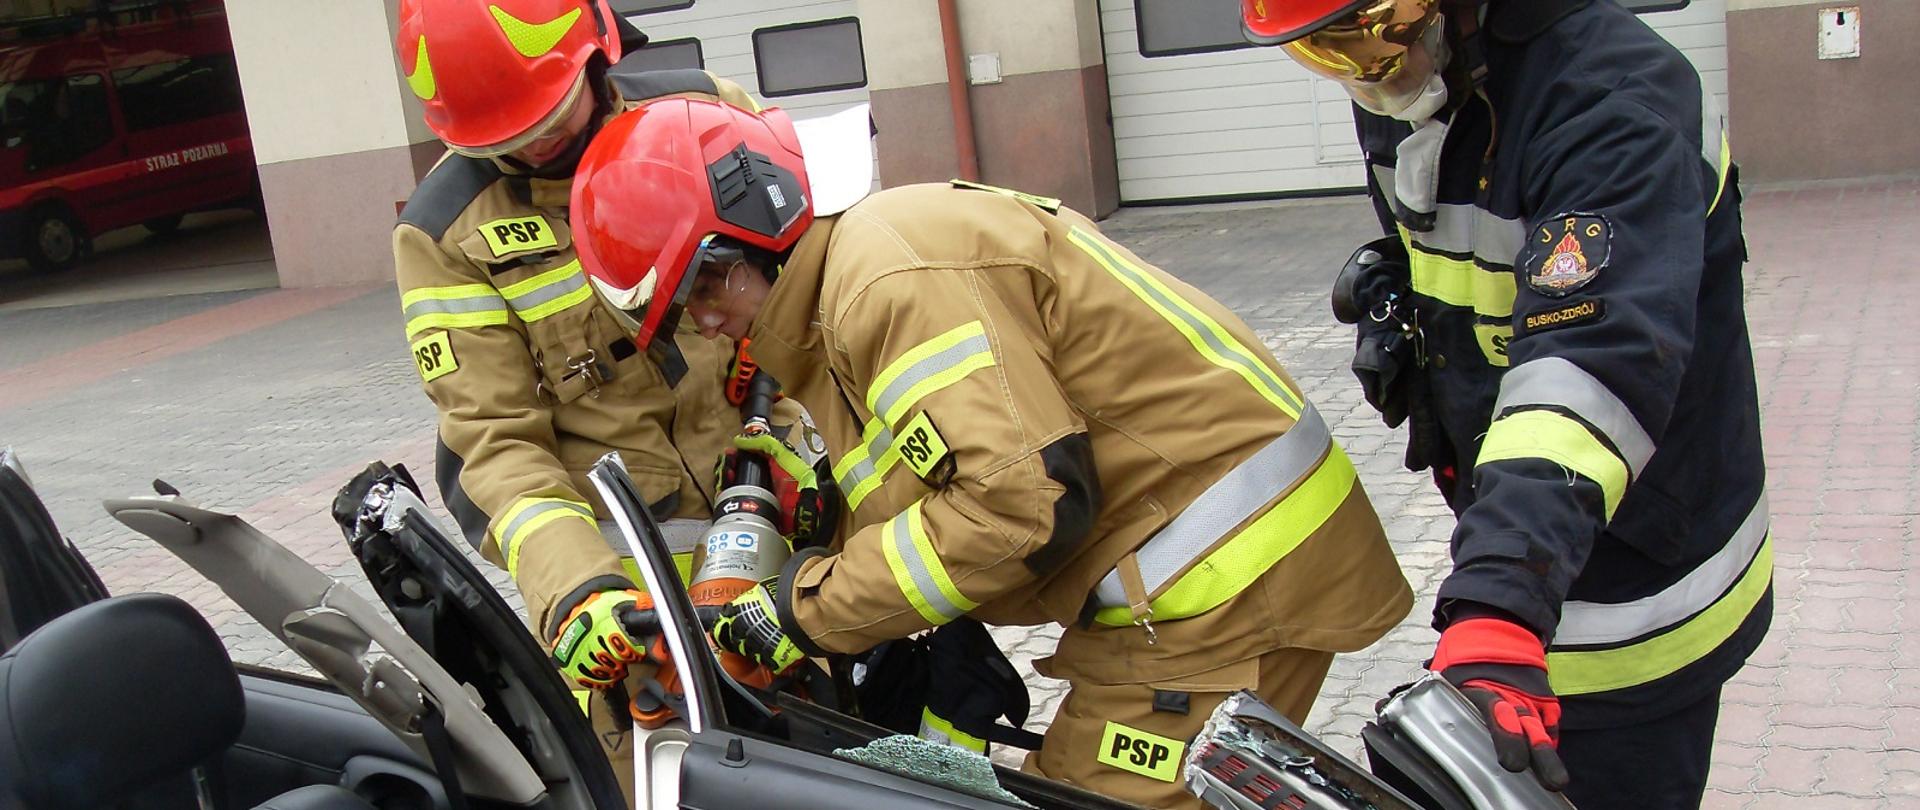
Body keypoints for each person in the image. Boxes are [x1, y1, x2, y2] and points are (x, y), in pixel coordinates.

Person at [565, 97, 1414, 809]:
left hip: (1220, 590)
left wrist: (799, 610)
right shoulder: (847, 294)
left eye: (705, 286)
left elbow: (1024, 506)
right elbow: (947, 479)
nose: (705, 322)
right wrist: (819, 528)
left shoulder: (882, 284)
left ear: (756, 225)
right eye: (680, 314)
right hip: (1193, 576)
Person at [1239, 1, 1771, 807]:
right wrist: (1410, 299)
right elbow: (1462, 232)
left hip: (1642, 592)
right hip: (1521, 555)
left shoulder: (1612, 98)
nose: (1365, 73)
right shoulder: (1420, 86)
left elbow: (1590, 363)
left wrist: (1495, 612)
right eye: (1324, 52)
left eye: (1375, 38)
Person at [389, 0, 802, 794]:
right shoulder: (444, 233)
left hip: (781, 509)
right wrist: (578, 592)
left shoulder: (705, 115)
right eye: (502, 138)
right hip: (632, 591)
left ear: (596, 54)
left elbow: (808, 292)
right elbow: (498, 444)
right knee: (668, 783)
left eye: (546, 113)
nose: (535, 143)